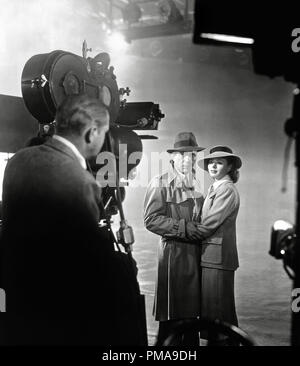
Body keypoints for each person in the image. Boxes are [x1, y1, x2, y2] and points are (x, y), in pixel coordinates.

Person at [0, 93, 143, 345]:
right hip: (58, 316)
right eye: (104, 133)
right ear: (91, 133)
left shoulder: (18, 162)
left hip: (18, 305)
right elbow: (87, 262)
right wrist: (124, 270)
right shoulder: (79, 181)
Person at [143, 132, 205, 345]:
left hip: (196, 258)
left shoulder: (199, 185)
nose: (189, 159)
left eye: (193, 155)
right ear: (173, 158)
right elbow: (151, 220)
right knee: (171, 317)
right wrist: (184, 227)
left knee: (192, 319)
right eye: (184, 155)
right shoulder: (159, 183)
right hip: (174, 257)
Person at [196, 145, 242, 344]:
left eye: (219, 162)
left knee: (218, 311)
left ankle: (225, 342)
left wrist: (179, 232)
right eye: (211, 162)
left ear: (230, 166)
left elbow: (208, 224)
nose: (213, 166)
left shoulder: (227, 190)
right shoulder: (217, 187)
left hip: (218, 257)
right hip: (212, 256)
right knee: (216, 310)